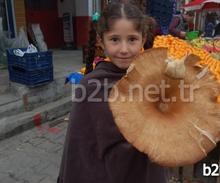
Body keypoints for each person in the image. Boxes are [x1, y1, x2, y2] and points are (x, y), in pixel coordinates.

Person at [57, 2, 168, 183]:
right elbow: (80, 149)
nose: (124, 49)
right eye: (115, 39)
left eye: (132, 39)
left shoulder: (153, 80)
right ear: (101, 40)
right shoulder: (90, 86)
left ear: (143, 38)